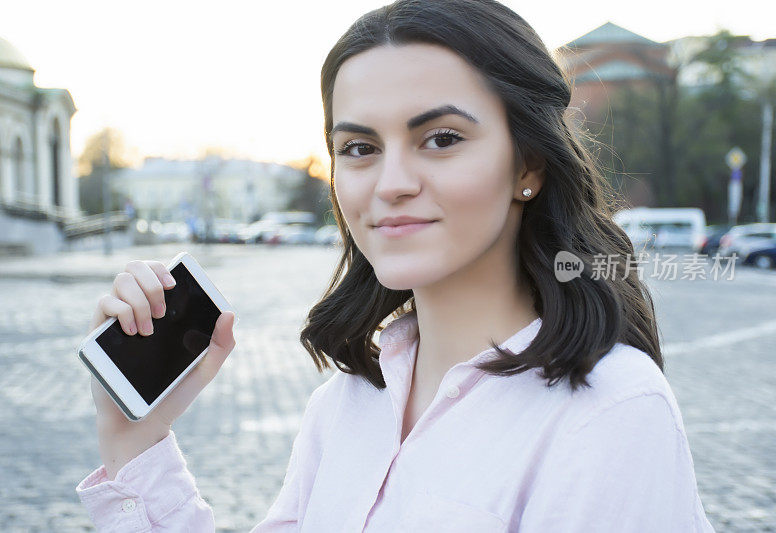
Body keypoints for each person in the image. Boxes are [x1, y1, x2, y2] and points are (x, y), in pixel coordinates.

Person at [75, 0, 716, 531]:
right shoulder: (348, 404)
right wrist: (136, 439)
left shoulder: (611, 413)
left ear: (528, 164)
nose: (391, 183)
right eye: (358, 147)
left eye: (440, 139)